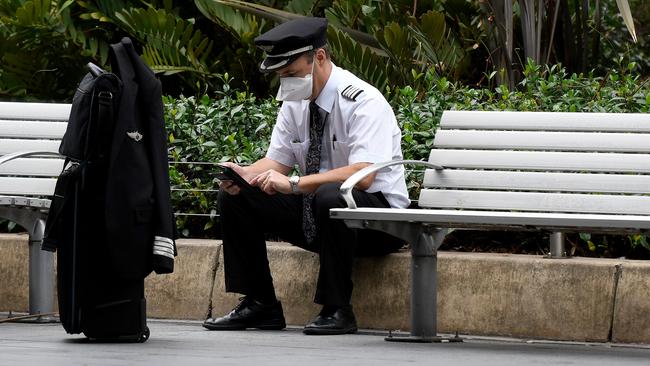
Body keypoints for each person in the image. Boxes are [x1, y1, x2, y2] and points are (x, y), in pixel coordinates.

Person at [202, 17, 409, 335]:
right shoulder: (295, 102)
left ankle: (337, 309)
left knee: (333, 194)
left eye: (292, 74)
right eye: (282, 76)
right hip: (322, 219)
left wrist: (296, 184)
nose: (287, 83)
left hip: (378, 223)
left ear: (320, 58)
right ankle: (260, 304)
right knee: (237, 197)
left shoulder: (363, 101)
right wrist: (243, 174)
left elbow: (364, 176)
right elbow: (278, 162)